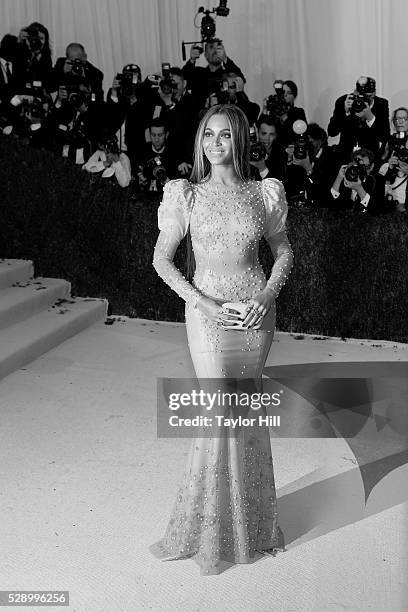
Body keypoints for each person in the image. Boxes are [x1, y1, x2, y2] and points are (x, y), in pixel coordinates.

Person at [150, 104, 294, 575]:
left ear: (241, 141)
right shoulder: (185, 194)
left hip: (256, 316)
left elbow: (282, 250)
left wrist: (267, 297)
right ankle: (210, 531)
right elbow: (162, 260)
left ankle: (252, 524)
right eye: (208, 135)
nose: (215, 143)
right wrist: (203, 303)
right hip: (208, 316)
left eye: (225, 136)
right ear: (200, 141)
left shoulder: (264, 192)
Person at [327, 76, 390, 163]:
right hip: (346, 155)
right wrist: (345, 112)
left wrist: (370, 117)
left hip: (370, 157)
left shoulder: (381, 104)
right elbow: (332, 132)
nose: (366, 100)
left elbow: (384, 136)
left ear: (374, 92)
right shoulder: (344, 101)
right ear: (355, 92)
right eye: (363, 96)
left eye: (370, 96)